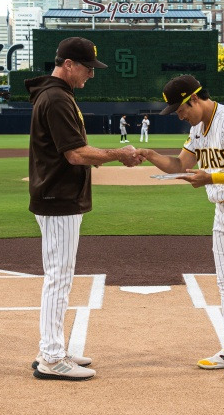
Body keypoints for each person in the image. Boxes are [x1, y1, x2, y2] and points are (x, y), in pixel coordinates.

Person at [25, 37, 144, 381]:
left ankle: (53, 348)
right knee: (58, 279)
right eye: (88, 68)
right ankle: (50, 356)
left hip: (59, 196)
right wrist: (119, 154)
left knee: (60, 277)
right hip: (57, 198)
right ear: (68, 65)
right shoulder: (56, 98)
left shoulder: (57, 95)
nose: (91, 74)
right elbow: (75, 154)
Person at [140, 75, 224, 380]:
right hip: (222, 210)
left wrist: (211, 178)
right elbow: (179, 165)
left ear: (194, 99)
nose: (179, 114)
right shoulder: (197, 129)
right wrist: (149, 155)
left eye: (180, 108)